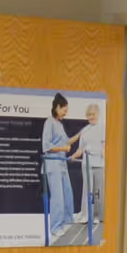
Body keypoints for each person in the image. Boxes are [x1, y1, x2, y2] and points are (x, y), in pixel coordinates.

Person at [40, 93, 74, 243]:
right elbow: (46, 146)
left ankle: (66, 222)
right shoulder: (49, 122)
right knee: (58, 198)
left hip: (62, 163)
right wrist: (63, 148)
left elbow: (67, 142)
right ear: (57, 107)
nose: (65, 113)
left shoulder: (59, 124)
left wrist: (81, 134)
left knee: (67, 194)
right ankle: (55, 227)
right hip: (53, 163)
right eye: (64, 110)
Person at [70, 103, 104, 235]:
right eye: (89, 115)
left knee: (98, 191)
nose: (91, 117)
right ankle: (85, 215)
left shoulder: (102, 128)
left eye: (93, 114)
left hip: (99, 164)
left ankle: (97, 216)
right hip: (87, 163)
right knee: (87, 189)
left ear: (98, 114)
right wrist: (73, 156)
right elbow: (80, 149)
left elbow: (104, 146)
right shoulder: (85, 130)